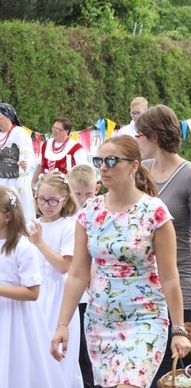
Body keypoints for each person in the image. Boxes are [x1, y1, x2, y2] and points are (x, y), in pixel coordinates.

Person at [51, 136, 191, 387]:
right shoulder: (89, 212)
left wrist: (179, 329)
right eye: (100, 161)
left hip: (145, 318)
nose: (103, 167)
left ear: (133, 166)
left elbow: (170, 276)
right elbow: (77, 274)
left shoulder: (155, 212)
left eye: (112, 160)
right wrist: (62, 324)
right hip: (100, 321)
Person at [136, 104, 191, 385]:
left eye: (139, 134)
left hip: (180, 278)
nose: (136, 140)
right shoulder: (140, 170)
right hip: (144, 280)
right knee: (145, 361)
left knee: (176, 366)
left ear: (154, 137)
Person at [0, 186, 64, 388]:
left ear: (8, 216)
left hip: (16, 317)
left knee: (17, 364)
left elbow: (33, 292)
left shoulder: (21, 246)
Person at [29, 171, 83, 387]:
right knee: (35, 351)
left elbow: (63, 266)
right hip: (35, 293)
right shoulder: (30, 225)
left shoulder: (68, 227)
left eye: (53, 200)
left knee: (59, 354)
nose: (46, 205)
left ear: (65, 200)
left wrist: (40, 242)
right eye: (41, 199)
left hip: (60, 296)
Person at [67, 164, 100, 388]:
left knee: (92, 343)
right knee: (78, 344)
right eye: (78, 193)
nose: (83, 198)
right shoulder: (67, 218)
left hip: (95, 288)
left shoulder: (100, 211)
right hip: (76, 289)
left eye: (88, 193)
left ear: (97, 189)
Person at [0, 103, 36, 220]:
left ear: (8, 117)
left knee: (19, 214)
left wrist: (26, 164)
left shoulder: (20, 133)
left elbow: (31, 157)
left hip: (17, 181)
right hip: (1, 181)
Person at [32, 117, 88, 183]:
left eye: (58, 129)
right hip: (45, 188)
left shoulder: (76, 148)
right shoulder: (46, 144)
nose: (54, 131)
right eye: (53, 128)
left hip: (65, 189)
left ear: (66, 131)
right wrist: (32, 183)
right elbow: (40, 165)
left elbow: (83, 171)